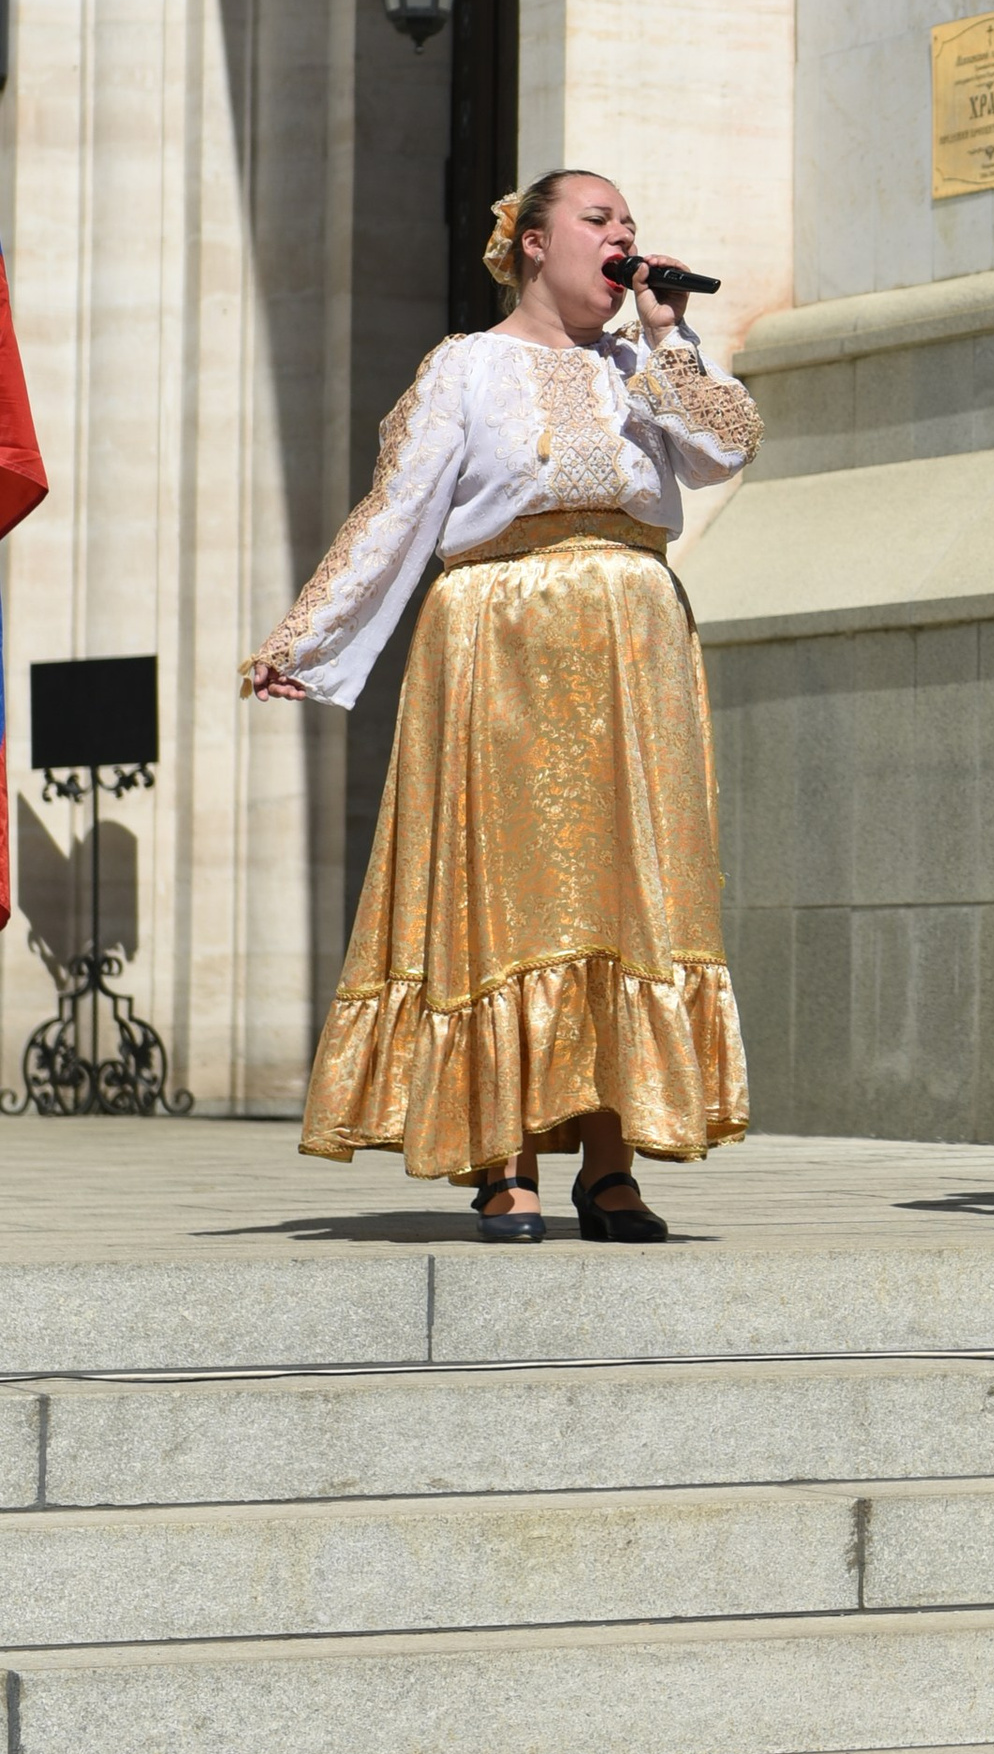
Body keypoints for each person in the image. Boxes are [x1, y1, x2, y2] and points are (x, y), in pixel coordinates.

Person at [247, 171, 759, 1238]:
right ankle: (502, 1157)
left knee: (627, 894)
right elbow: (395, 512)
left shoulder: (644, 366)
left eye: (630, 223)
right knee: (501, 897)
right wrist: (309, 636)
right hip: (501, 635)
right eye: (598, 220)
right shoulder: (468, 366)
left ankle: (611, 1161)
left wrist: (671, 337)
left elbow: (727, 448)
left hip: (631, 639)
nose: (624, 238)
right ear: (532, 243)